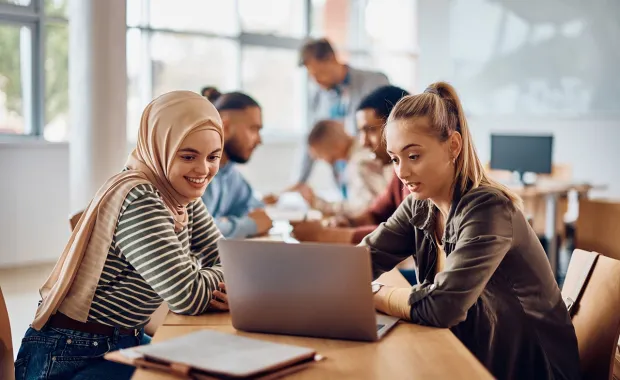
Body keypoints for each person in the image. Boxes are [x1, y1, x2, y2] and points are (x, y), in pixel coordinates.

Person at [367, 82, 581, 379]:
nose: (402, 172)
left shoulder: (488, 209)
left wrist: (374, 293)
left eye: (413, 156)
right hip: (476, 354)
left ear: (453, 146)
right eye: (395, 159)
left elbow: (443, 307)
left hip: (532, 370)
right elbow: (360, 262)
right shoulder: (420, 204)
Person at [14, 91, 230, 380]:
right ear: (160, 147)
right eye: (188, 155)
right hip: (72, 354)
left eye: (213, 157)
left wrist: (218, 274)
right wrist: (224, 277)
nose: (203, 169)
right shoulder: (140, 197)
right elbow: (187, 295)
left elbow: (227, 258)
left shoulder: (179, 194)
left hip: (121, 339)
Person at [291, 86, 411, 244]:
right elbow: (375, 213)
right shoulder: (398, 173)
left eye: (370, 130)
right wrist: (349, 223)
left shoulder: (416, 175)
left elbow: (405, 235)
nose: (363, 142)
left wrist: (325, 234)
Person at [293, 38, 389, 187]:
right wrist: (299, 182)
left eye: (319, 73)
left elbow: (388, 128)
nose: (316, 81)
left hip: (373, 175)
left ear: (331, 59)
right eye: (312, 77)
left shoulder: (373, 82)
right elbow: (313, 139)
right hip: (343, 179)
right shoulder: (319, 96)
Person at [201, 91, 273, 239]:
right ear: (225, 127)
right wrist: (249, 225)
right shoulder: (195, 172)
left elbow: (256, 211)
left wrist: (229, 224)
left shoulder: (230, 173)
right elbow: (198, 230)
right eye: (253, 129)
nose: (259, 141)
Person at [304, 119, 388, 215]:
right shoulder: (357, 155)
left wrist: (320, 204)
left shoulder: (359, 163)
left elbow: (365, 209)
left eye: (319, 155)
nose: (320, 159)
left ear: (329, 144)